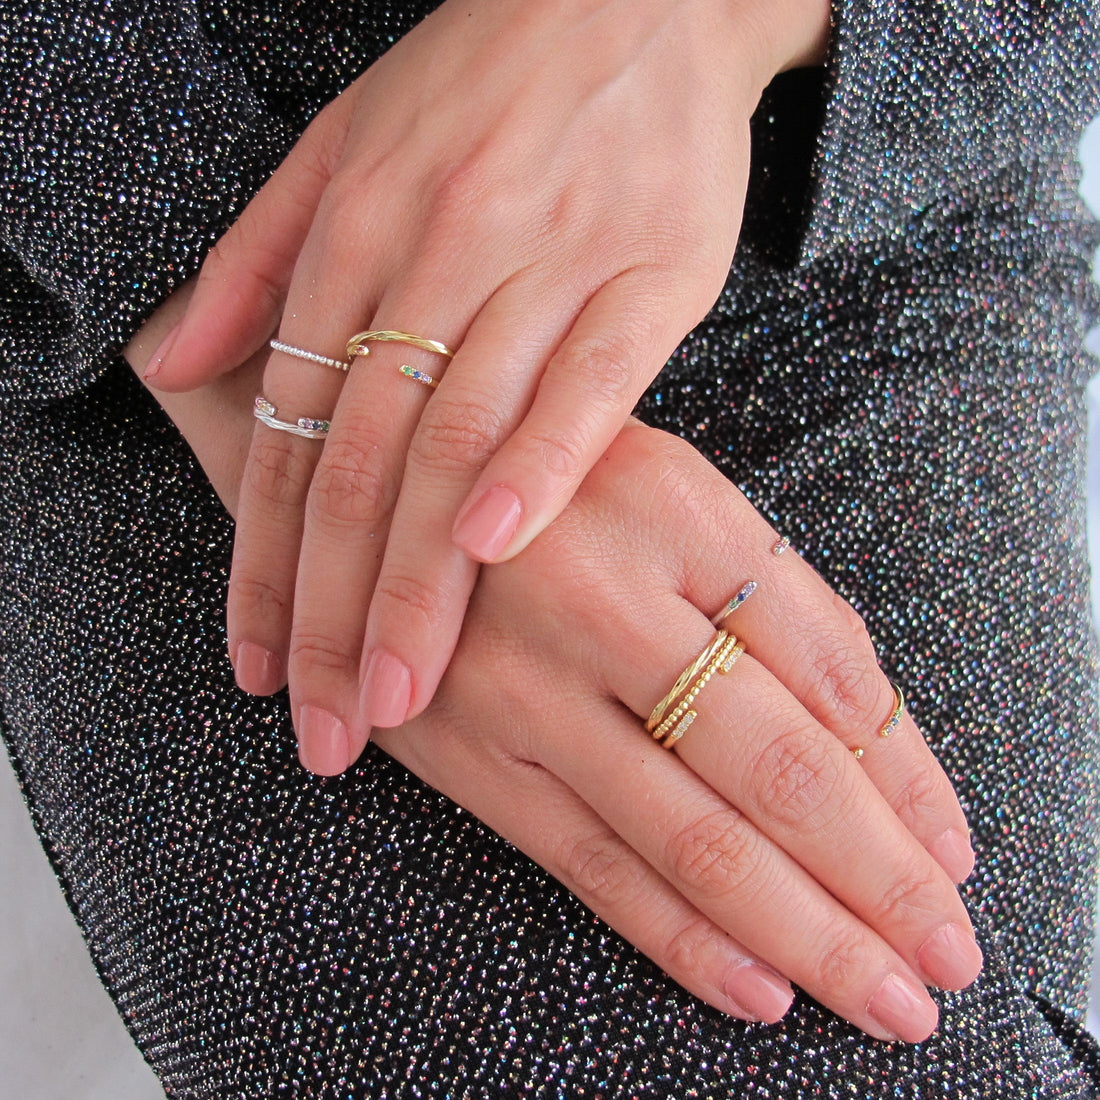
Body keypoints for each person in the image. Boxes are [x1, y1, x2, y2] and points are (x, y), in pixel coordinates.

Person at [1, 0, 1098, 1095]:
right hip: (176, 173)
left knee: (912, 946)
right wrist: (240, 311)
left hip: (839, 164)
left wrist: (703, 25)